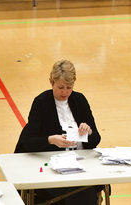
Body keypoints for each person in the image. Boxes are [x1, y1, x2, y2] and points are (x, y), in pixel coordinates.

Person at [14, 59, 101, 205]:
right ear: (51, 82)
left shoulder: (79, 100)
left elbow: (96, 140)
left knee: (87, 190)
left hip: (80, 165)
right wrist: (50, 140)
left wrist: (89, 132)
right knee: (78, 194)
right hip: (52, 167)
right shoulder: (41, 103)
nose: (65, 92)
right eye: (60, 87)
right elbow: (28, 142)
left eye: (69, 87)